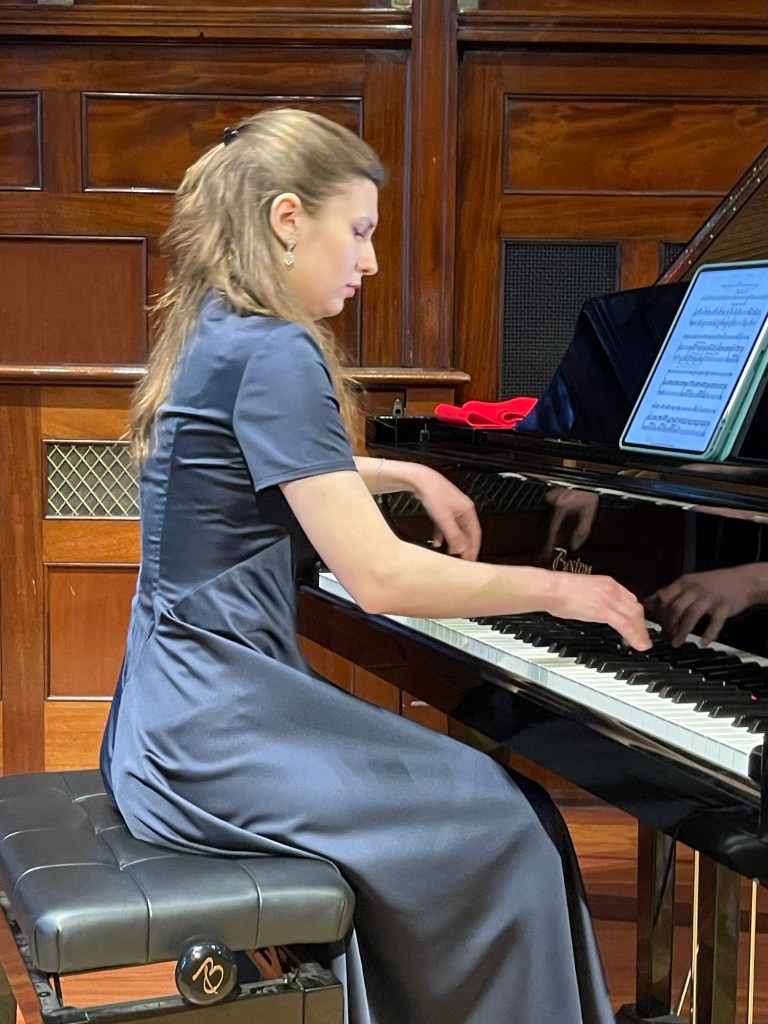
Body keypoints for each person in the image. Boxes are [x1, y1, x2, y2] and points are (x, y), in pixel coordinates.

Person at [100, 108, 650, 1024]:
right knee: (509, 823)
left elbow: (254, 461)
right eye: (357, 231)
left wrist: (402, 470)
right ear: (287, 219)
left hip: (166, 716)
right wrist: (567, 588)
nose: (371, 261)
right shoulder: (277, 349)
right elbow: (383, 579)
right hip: (220, 730)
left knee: (498, 809)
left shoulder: (216, 325)